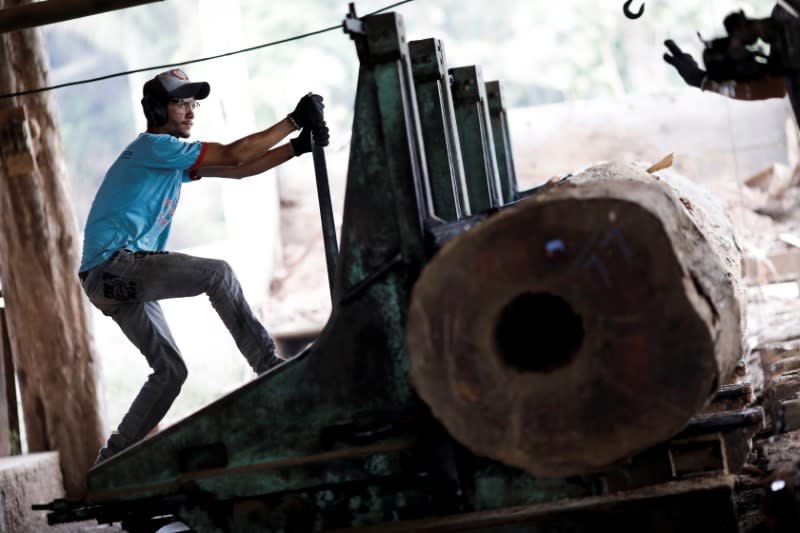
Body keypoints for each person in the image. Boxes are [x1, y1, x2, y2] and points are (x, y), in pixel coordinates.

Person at [78, 68, 329, 466]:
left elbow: (240, 169)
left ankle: (110, 464)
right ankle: (268, 365)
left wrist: (296, 147)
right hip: (115, 267)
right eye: (181, 103)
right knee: (218, 274)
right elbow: (234, 153)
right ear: (158, 109)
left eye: (193, 103)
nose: (191, 111)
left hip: (109, 279)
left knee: (170, 373)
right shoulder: (155, 146)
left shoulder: (169, 160)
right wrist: (293, 121)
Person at [663, 1, 799, 121]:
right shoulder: (785, 70)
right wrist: (703, 81)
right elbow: (777, 88)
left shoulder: (786, 9)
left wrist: (703, 81)